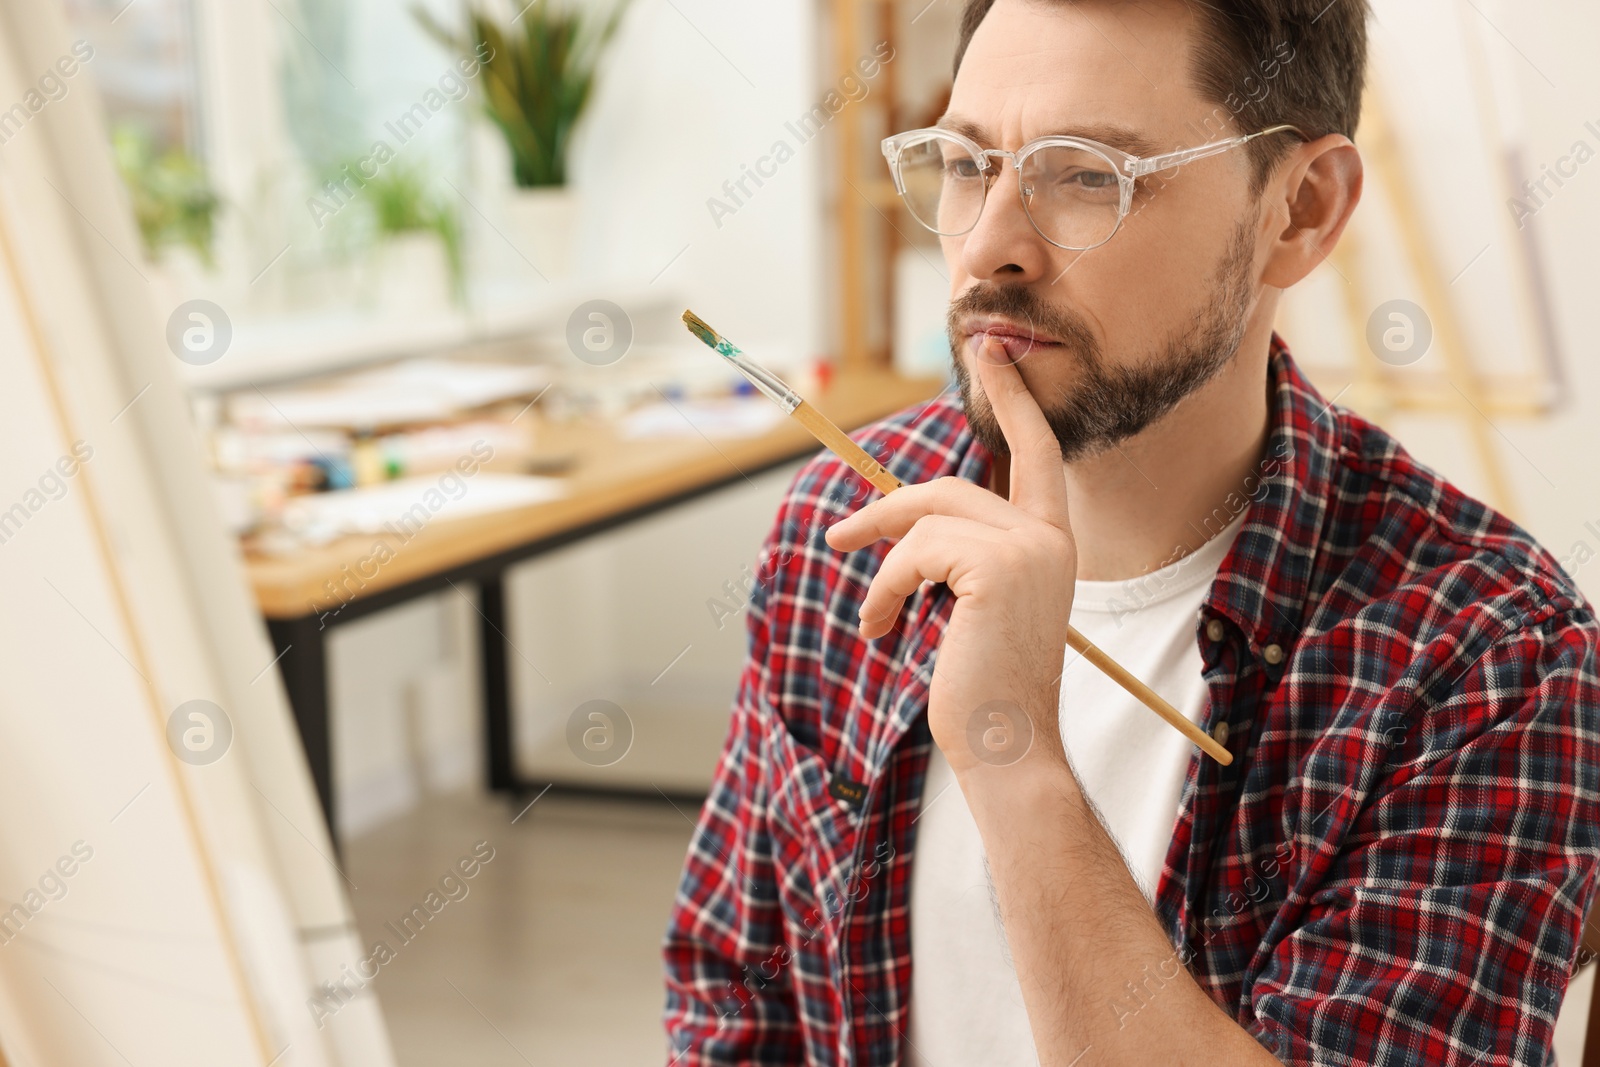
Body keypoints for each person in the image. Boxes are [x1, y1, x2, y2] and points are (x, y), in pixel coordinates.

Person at [663, 0, 1600, 1063]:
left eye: (1085, 175)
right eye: (968, 164)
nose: (989, 247)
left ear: (1299, 211)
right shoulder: (843, 527)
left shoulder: (1487, 658)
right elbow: (734, 997)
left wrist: (1013, 755)